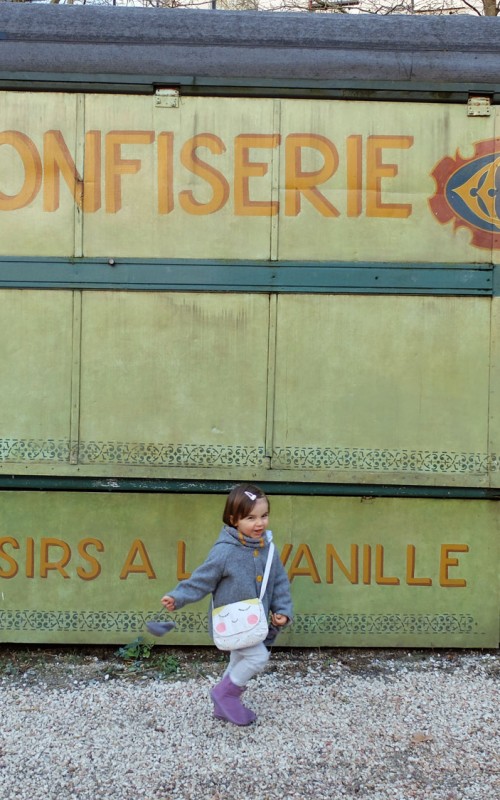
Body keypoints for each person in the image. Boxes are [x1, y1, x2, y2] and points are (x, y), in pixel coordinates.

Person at [161, 483, 293, 726]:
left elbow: (280, 582)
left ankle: (222, 707)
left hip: (253, 623)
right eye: (250, 517)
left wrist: (282, 610)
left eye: (264, 516)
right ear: (234, 519)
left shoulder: (268, 549)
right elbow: (202, 579)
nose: (259, 523)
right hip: (232, 623)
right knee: (258, 658)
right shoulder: (225, 552)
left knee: (236, 662)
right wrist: (178, 596)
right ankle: (225, 694)